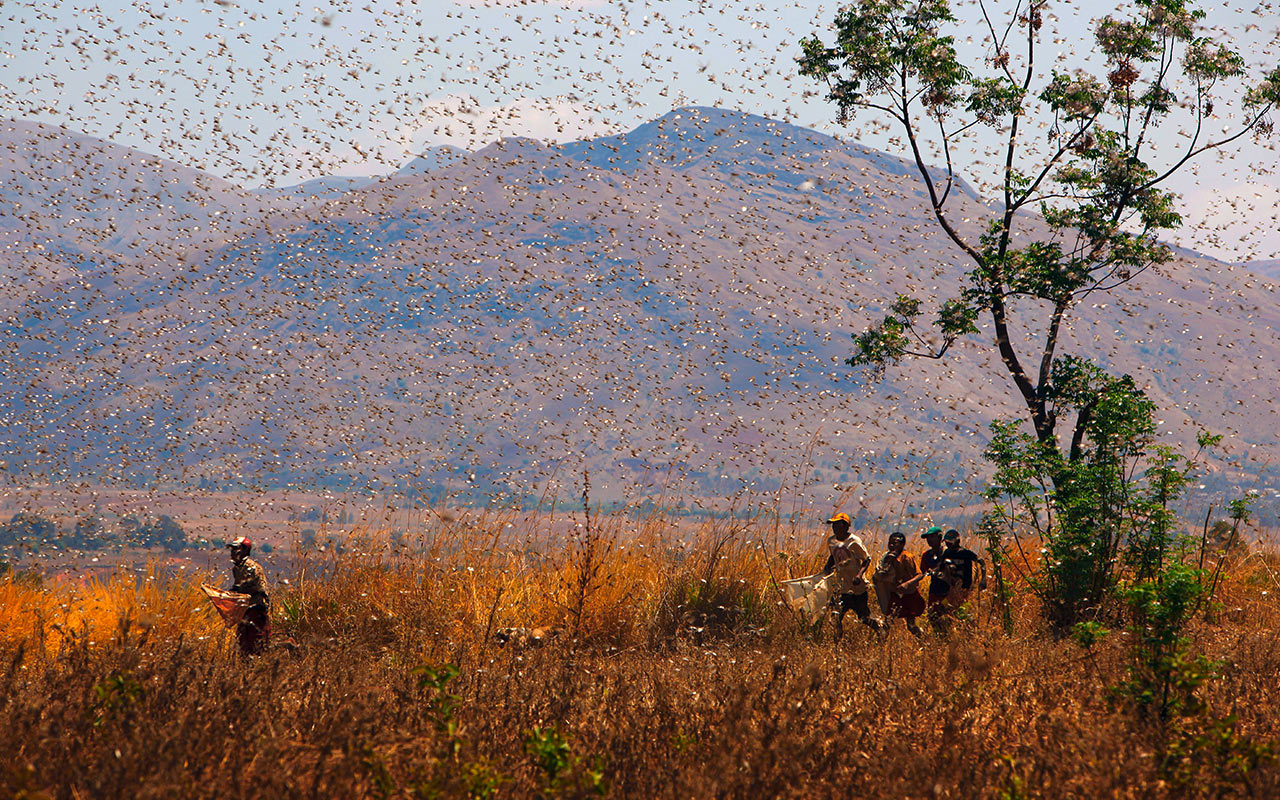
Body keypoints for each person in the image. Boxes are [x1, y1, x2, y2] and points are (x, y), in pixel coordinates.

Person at [821, 512, 881, 641]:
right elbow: (833, 555)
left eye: (837, 524)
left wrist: (859, 575)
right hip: (841, 586)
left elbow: (866, 559)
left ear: (845, 526)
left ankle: (880, 629)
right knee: (835, 616)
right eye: (833, 525)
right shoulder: (831, 541)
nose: (834, 528)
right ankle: (837, 641)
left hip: (856, 587)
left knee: (863, 618)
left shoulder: (854, 541)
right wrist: (828, 566)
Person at [872, 531, 926, 637]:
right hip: (896, 594)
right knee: (888, 620)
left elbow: (919, 575)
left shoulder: (906, 557)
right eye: (890, 543)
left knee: (910, 624)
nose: (891, 545)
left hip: (909, 594)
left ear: (902, 545)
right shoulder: (887, 558)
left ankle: (923, 639)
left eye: (895, 543)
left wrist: (906, 584)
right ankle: (881, 643)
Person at [228, 536, 271, 656]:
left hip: (256, 610)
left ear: (245, 551)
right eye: (232, 549)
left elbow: (251, 588)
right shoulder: (237, 568)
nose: (232, 552)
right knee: (243, 645)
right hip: (245, 611)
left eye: (236, 549)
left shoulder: (251, 567)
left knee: (255, 646)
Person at [938, 528, 986, 614]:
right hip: (951, 587)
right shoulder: (947, 553)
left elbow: (981, 561)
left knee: (960, 608)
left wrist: (983, 579)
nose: (947, 544)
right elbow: (941, 567)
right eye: (946, 542)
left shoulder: (965, 553)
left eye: (949, 542)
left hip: (964, 587)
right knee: (946, 607)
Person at [918, 526, 950, 628]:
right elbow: (921, 572)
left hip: (948, 590)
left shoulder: (947, 552)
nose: (929, 540)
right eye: (928, 538)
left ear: (940, 538)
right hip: (935, 590)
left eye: (932, 537)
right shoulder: (926, 555)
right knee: (933, 617)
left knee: (948, 615)